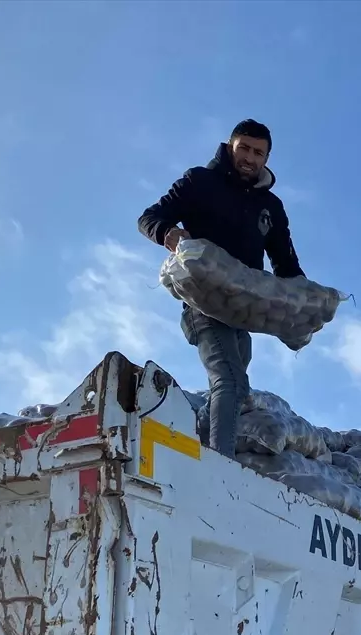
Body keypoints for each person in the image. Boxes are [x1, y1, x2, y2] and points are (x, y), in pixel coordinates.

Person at [138, 119, 304, 458]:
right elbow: (151, 216)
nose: (249, 157)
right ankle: (219, 465)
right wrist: (166, 232)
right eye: (243, 147)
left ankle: (185, 440)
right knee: (227, 381)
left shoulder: (270, 207)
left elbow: (285, 263)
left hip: (243, 311)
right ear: (230, 147)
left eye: (258, 152)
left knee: (237, 389)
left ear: (266, 160)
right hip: (204, 303)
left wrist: (306, 302)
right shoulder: (200, 181)